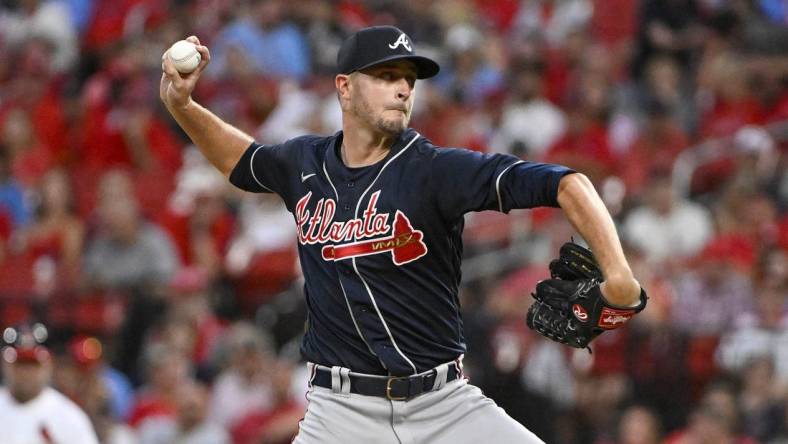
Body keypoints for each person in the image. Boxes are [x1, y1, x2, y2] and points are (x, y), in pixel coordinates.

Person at [160, 25, 644, 444]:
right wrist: (182, 105)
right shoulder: (303, 163)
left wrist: (618, 276)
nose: (402, 89)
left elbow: (568, 184)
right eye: (386, 76)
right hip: (340, 414)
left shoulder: (435, 170)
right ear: (345, 89)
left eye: (408, 80)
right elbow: (242, 162)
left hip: (444, 405)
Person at [0, 323, 100, 444]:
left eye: (33, 364)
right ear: (4, 364)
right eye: (20, 363)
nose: (26, 372)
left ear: (49, 365)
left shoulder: (69, 418)